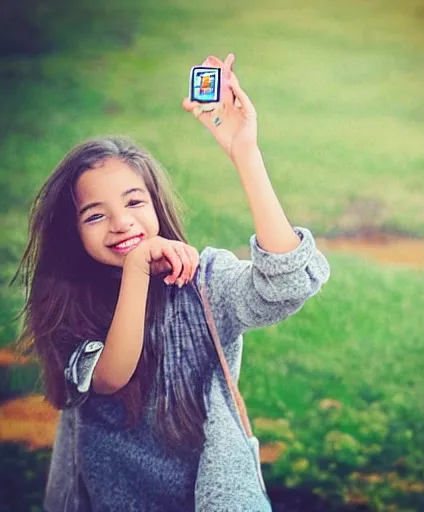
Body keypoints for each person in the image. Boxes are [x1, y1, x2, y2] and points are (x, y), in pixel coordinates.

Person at [12, 53, 330, 511]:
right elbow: (109, 379)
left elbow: (287, 284)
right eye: (95, 214)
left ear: (157, 205)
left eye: (134, 202)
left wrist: (245, 151)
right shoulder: (67, 305)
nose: (121, 223)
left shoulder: (203, 281)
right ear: (73, 234)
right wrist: (138, 270)